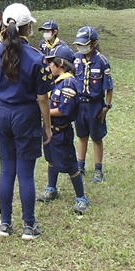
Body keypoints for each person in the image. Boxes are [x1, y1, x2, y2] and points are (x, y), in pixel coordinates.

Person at [0, 3, 52, 241]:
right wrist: (47, 125)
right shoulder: (37, 58)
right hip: (25, 115)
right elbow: (42, 97)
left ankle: (4, 223)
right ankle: (28, 225)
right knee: (25, 173)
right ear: (28, 28)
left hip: (2, 113)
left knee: (6, 170)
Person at [37, 45, 89, 214]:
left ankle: (81, 197)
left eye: (51, 63)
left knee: (70, 164)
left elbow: (63, 110)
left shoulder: (69, 82)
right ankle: (51, 188)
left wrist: (41, 111)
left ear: (60, 63)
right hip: (49, 129)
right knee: (51, 159)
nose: (49, 66)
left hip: (61, 131)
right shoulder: (55, 81)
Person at [73, 26, 114, 184]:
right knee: (81, 136)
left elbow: (109, 88)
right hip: (79, 105)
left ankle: (98, 169)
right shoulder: (76, 59)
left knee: (96, 137)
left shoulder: (102, 61)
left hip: (95, 105)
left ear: (94, 43)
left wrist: (106, 107)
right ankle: (80, 166)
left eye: (85, 43)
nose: (81, 46)